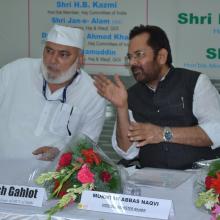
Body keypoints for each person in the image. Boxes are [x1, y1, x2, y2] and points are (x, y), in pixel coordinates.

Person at [94, 24, 220, 170]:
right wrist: (122, 107)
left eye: (139, 55)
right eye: (130, 57)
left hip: (198, 180)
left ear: (161, 56)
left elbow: (216, 131)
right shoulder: (130, 95)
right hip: (150, 181)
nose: (132, 63)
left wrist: (163, 133)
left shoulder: (195, 82)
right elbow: (127, 152)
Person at [0, 24, 106, 162]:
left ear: (80, 60)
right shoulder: (15, 71)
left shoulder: (93, 95)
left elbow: (85, 147)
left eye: (63, 54)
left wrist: (61, 154)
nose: (52, 60)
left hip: (49, 179)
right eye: (49, 51)